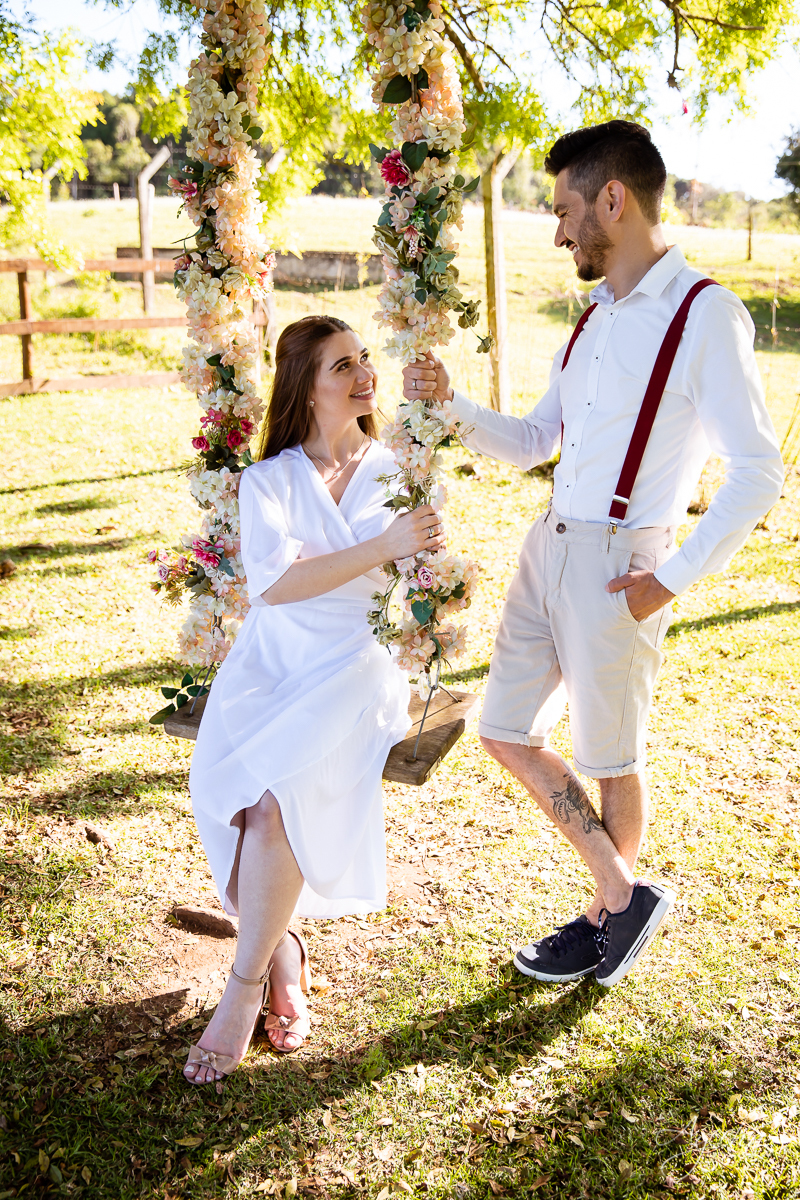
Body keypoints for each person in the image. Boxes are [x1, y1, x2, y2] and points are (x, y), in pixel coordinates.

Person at [402, 121, 783, 988]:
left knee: (612, 758)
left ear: (614, 199)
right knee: (502, 729)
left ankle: (605, 916)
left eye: (567, 208)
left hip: (623, 566)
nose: (560, 229)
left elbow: (760, 471)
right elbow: (539, 439)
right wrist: (453, 403)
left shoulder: (703, 314)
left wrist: (670, 581)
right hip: (551, 547)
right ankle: (621, 892)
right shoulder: (594, 317)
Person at [184, 315, 445, 1088]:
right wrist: (382, 546)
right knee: (231, 798)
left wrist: (409, 557)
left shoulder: (400, 464)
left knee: (273, 804)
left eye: (365, 359)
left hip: (355, 663)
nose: (366, 376)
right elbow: (274, 584)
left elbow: (424, 565)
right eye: (343, 367)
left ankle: (243, 988)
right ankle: (282, 948)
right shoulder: (269, 480)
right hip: (271, 661)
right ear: (306, 388)